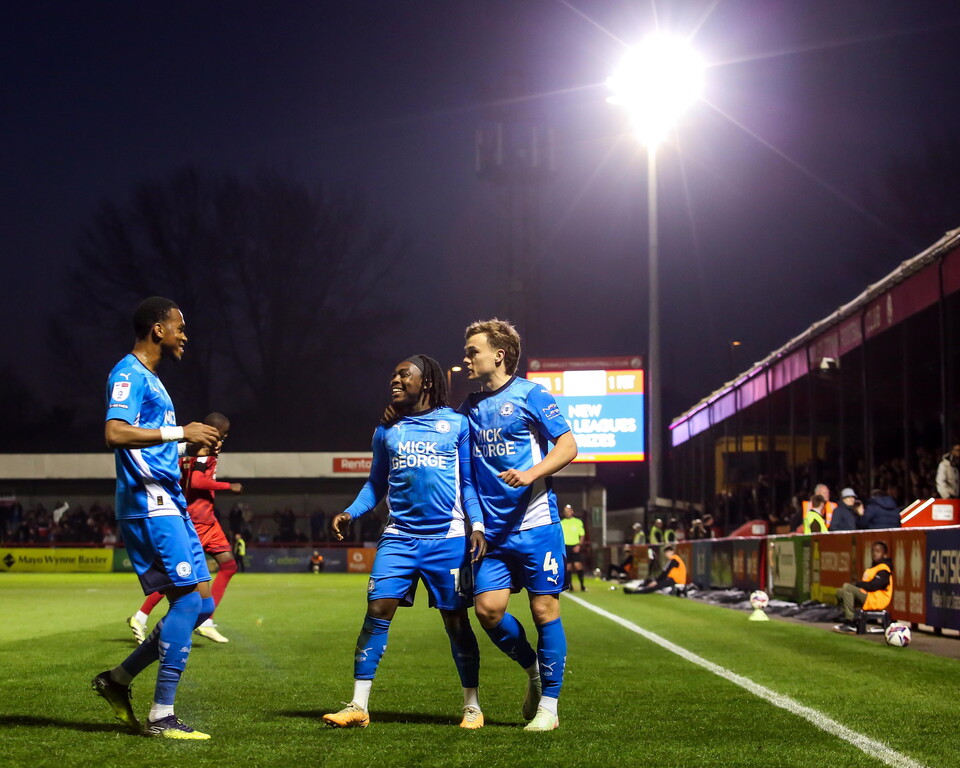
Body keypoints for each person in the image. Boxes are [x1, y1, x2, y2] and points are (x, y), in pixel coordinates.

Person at [323, 355, 486, 730]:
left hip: (449, 538)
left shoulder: (456, 424)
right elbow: (375, 484)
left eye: (403, 374)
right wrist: (350, 512)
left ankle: (472, 707)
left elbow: (467, 483)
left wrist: (476, 524)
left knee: (456, 621)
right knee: (376, 611)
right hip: (398, 537)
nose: (394, 379)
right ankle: (358, 706)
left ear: (426, 381)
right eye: (393, 374)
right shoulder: (386, 431)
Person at [92, 296, 221, 740]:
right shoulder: (128, 372)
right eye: (179, 327)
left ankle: (118, 678)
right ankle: (161, 715)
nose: (184, 334)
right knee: (186, 602)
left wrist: (188, 447)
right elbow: (115, 433)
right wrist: (179, 431)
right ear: (156, 330)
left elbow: (154, 446)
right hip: (150, 504)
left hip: (171, 501)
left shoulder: (154, 381)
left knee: (202, 604)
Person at [460, 318, 578, 732]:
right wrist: (475, 522)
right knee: (488, 612)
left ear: (500, 354)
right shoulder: (469, 409)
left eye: (473, 350)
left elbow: (569, 445)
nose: (467, 357)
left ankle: (550, 706)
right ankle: (532, 670)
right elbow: (468, 476)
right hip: (491, 534)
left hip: (537, 523)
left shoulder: (532, 394)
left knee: (544, 609)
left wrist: (531, 474)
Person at [127, 412, 244, 645]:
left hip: (208, 519)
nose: (224, 438)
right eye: (222, 433)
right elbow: (198, 482)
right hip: (197, 519)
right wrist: (229, 486)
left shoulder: (193, 449)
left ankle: (207, 621)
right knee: (182, 574)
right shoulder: (202, 450)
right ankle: (140, 616)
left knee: (228, 565)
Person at [834, 541, 893, 633]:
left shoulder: (884, 569)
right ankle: (846, 619)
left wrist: (858, 584)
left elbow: (874, 586)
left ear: (884, 554)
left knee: (848, 588)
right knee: (840, 591)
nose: (874, 553)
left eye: (878, 551)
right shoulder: (873, 568)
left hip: (877, 599)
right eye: (873, 551)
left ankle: (850, 623)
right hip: (869, 596)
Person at [560, 504, 586, 592]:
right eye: (565, 511)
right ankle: (570, 586)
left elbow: (582, 535)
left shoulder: (578, 522)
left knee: (578, 565)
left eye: (568, 511)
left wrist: (579, 545)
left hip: (575, 545)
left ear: (572, 511)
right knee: (568, 566)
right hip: (566, 546)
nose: (567, 513)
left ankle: (582, 585)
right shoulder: (561, 522)